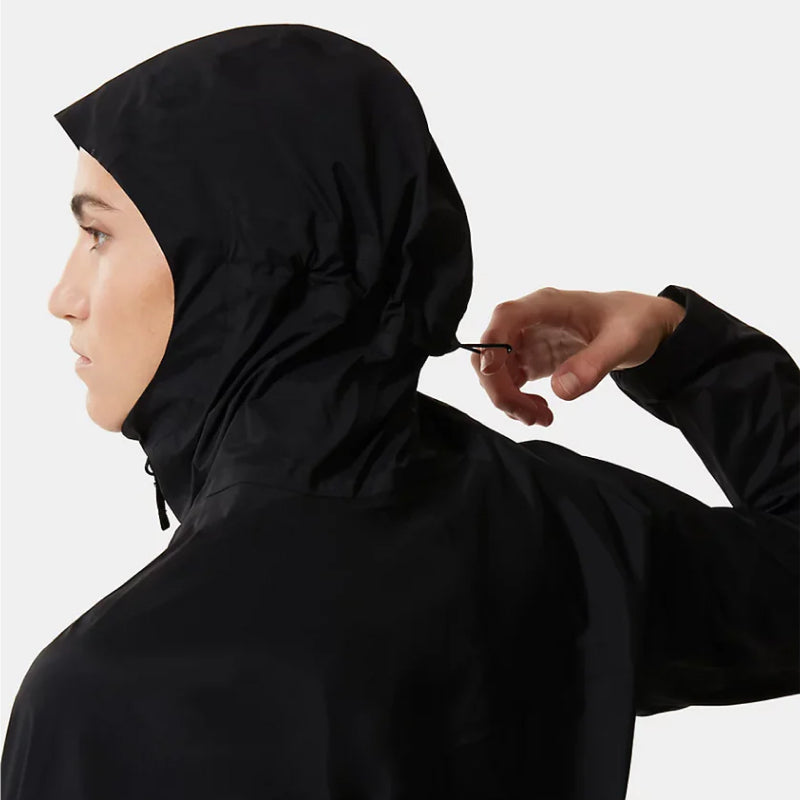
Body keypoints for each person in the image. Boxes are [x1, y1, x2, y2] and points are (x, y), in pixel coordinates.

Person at [2, 23, 797, 800]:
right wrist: (680, 345)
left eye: (97, 234)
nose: (62, 296)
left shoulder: (102, 697)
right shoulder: (556, 529)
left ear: (242, 259)